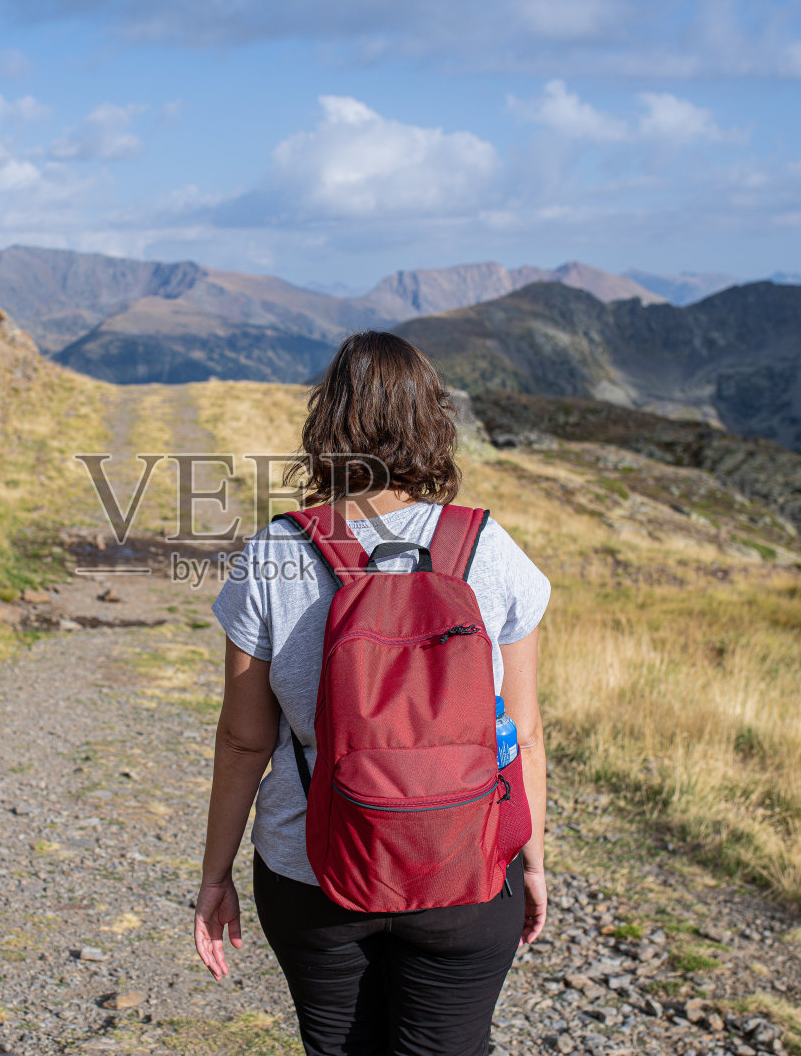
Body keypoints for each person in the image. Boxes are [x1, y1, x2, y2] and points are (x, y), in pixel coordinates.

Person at [195, 330, 552, 1056]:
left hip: (313, 867)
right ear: (433, 423)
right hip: (469, 858)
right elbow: (525, 729)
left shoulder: (275, 552)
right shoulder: (489, 547)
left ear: (326, 424)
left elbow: (244, 738)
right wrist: (534, 860)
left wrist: (215, 873)